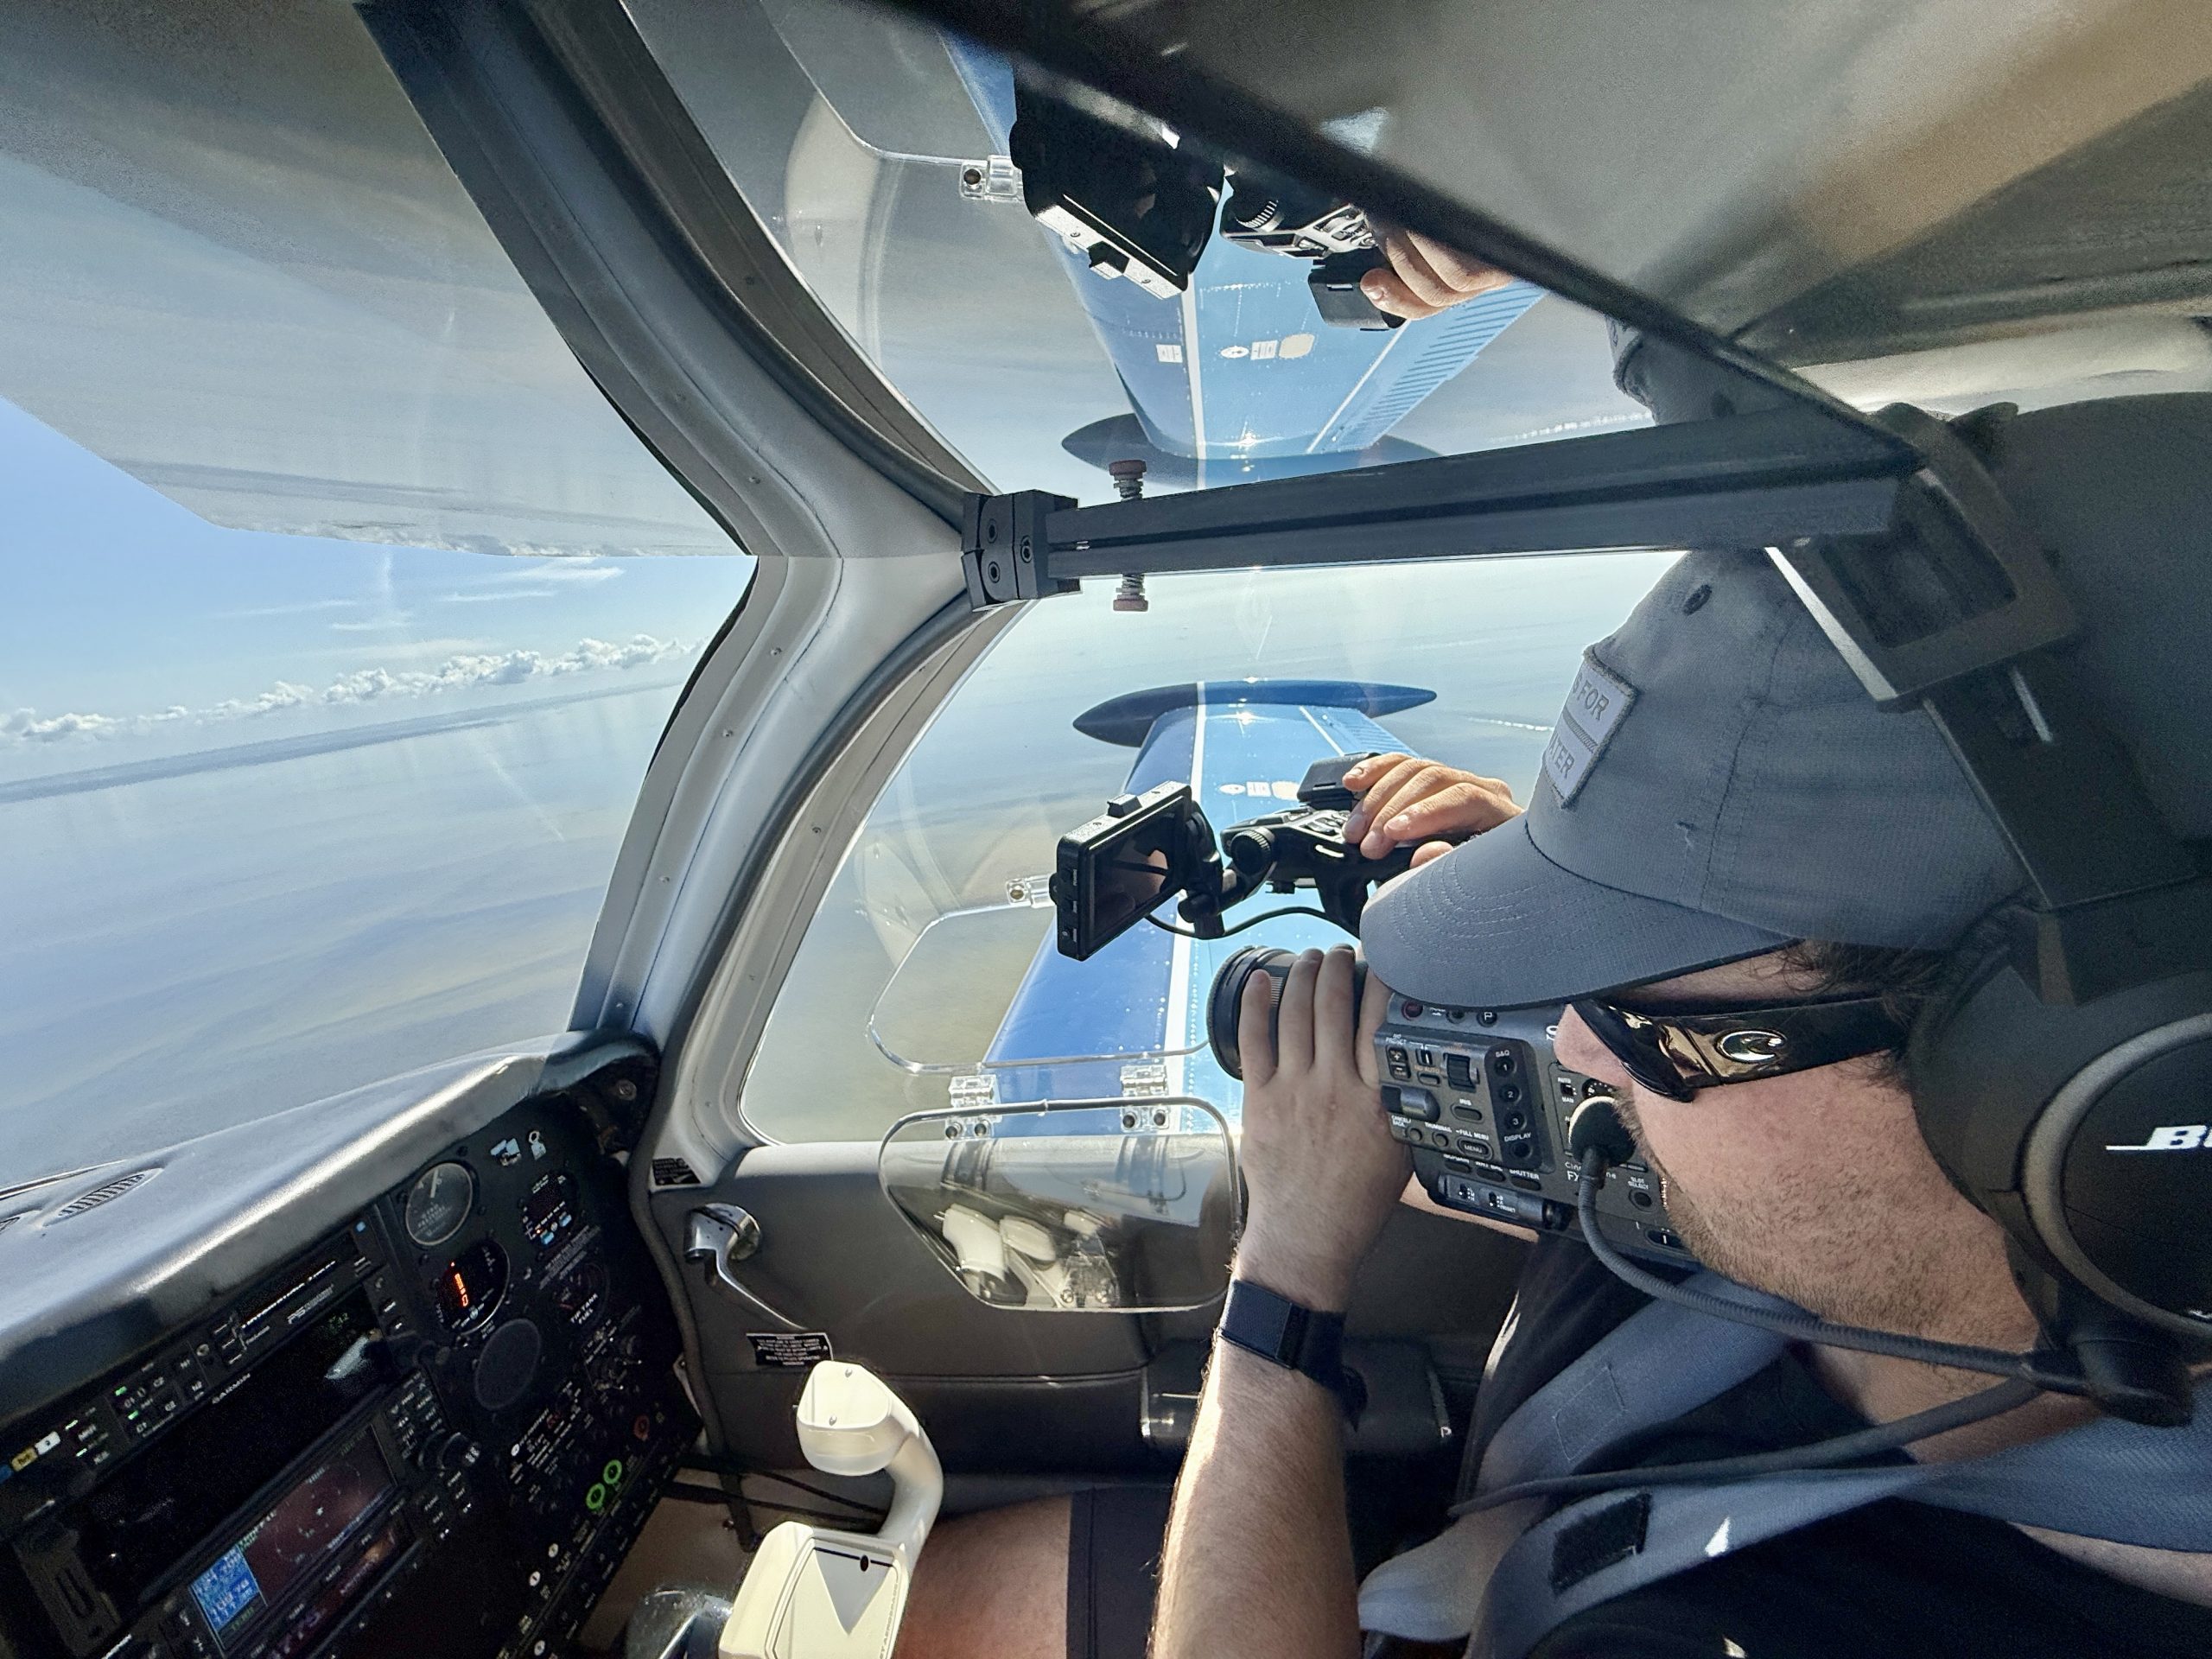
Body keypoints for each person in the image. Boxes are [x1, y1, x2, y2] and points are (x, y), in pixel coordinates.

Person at [894, 279, 2212, 1659]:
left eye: (1652, 1019)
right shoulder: (1925, 1216)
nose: (1578, 1046)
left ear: (2121, 1093)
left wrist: (1285, 1270)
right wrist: (1573, 891)